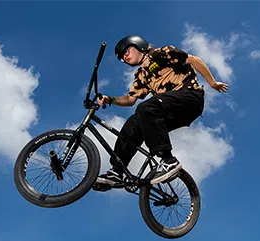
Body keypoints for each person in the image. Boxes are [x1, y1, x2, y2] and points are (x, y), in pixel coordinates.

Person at [95, 35, 229, 189]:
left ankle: (168, 160)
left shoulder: (162, 53)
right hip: (170, 110)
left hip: (190, 98)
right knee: (133, 123)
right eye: (122, 57)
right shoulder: (140, 76)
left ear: (139, 45)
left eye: (126, 51)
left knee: (146, 108)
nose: (125, 57)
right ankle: (117, 171)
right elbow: (131, 99)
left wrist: (212, 83)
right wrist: (110, 99)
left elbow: (193, 60)